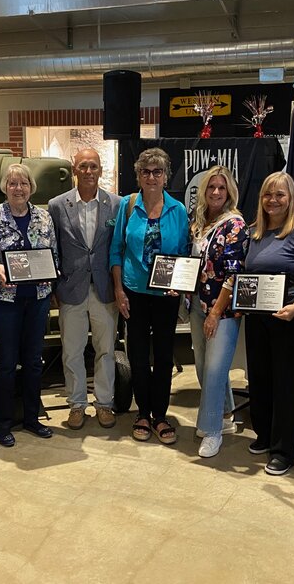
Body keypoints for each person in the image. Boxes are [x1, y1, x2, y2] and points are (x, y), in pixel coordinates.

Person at [0, 163, 59, 447]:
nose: (18, 188)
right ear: (5, 188)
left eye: (23, 184)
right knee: (6, 363)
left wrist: (51, 276)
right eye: (12, 183)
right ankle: (3, 424)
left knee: (34, 361)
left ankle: (32, 418)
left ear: (31, 187)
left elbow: (53, 256)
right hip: (4, 300)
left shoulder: (44, 218)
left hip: (37, 299)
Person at [244, 171, 294, 476]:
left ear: (291, 198)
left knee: (286, 385)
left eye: (280, 195)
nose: (273, 200)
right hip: (257, 319)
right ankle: (264, 435)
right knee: (260, 380)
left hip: (289, 319)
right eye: (268, 195)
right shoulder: (254, 233)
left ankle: (284, 450)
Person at [110, 148, 188, 444]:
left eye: (157, 172)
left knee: (165, 356)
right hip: (134, 292)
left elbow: (182, 253)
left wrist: (178, 284)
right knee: (139, 356)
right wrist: (118, 289)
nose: (151, 177)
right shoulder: (128, 206)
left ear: (166, 176)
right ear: (138, 176)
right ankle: (142, 412)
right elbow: (116, 249)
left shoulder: (177, 210)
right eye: (146, 172)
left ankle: (161, 414)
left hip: (166, 294)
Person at [48, 148, 121, 430]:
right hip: (70, 289)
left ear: (101, 170)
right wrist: (54, 285)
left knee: (105, 349)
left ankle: (104, 404)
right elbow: (52, 248)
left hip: (104, 290)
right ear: (74, 170)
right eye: (83, 166)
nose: (88, 171)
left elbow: (118, 247)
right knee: (72, 350)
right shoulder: (57, 205)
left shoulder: (116, 204)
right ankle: (77, 405)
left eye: (93, 166)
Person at [188, 166, 249, 458]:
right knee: (203, 366)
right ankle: (225, 418)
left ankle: (211, 431)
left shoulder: (234, 224)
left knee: (214, 370)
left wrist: (215, 312)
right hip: (197, 304)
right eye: (211, 187)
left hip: (221, 311)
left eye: (221, 188)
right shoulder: (199, 221)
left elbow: (233, 274)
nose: (215, 192)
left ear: (229, 192)